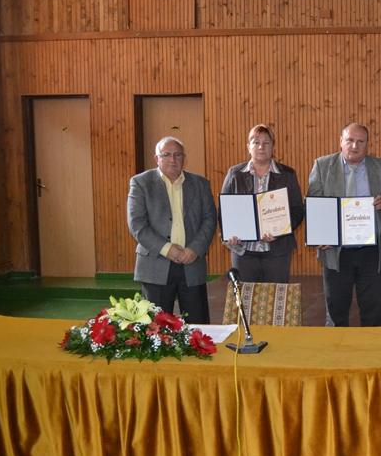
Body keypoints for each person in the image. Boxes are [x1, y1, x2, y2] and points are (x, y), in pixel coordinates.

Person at [308, 122, 381, 327]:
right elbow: (314, 204)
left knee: (372, 309)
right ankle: (338, 357)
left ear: (368, 144)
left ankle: (370, 354)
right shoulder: (322, 165)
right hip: (336, 250)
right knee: (336, 310)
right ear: (341, 141)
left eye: (360, 141)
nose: (354, 146)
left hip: (371, 252)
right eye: (350, 140)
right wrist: (321, 235)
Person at [127, 136, 217, 323]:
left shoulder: (200, 184)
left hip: (192, 263)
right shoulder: (141, 183)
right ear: (156, 159)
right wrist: (166, 249)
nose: (172, 159)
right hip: (155, 264)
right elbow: (137, 223)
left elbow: (210, 219)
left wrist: (195, 249)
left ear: (184, 158)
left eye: (177, 155)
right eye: (166, 155)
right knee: (155, 329)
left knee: (199, 327)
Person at [221, 124, 305, 283]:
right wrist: (228, 234)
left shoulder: (287, 174)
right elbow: (225, 210)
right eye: (256, 142)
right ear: (248, 147)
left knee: (275, 301)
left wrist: (280, 230)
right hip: (243, 251)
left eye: (266, 142)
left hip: (277, 251)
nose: (261, 146)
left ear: (273, 147)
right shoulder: (235, 174)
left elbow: (297, 210)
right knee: (246, 300)